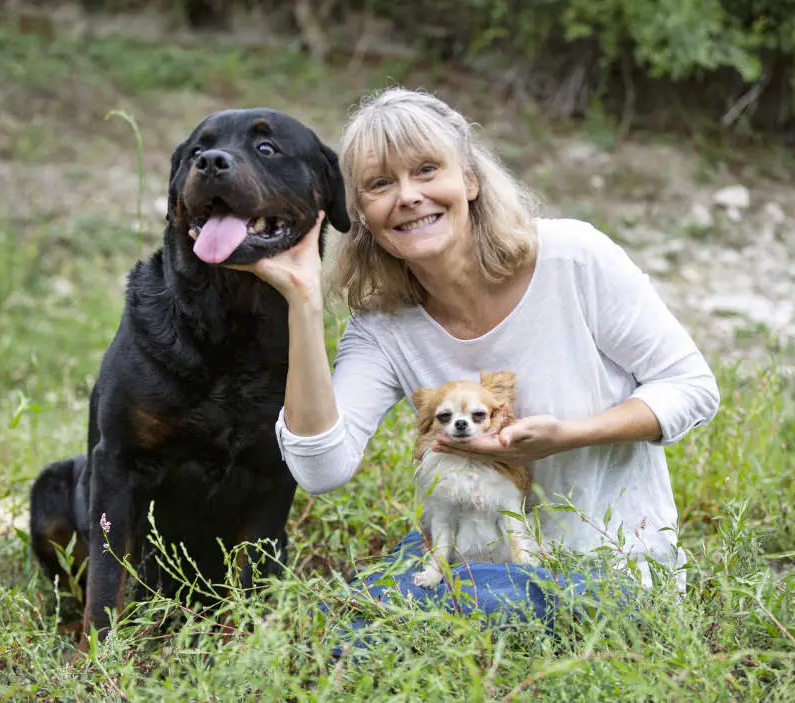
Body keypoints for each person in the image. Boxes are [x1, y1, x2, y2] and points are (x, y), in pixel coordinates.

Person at [228, 87, 720, 628]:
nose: (409, 196)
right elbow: (321, 468)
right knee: (349, 615)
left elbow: (692, 386)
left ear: (470, 179)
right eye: (380, 184)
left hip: (605, 564)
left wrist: (571, 434)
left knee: (387, 615)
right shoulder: (383, 325)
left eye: (426, 170)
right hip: (475, 557)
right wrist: (303, 301)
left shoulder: (574, 259)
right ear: (362, 212)